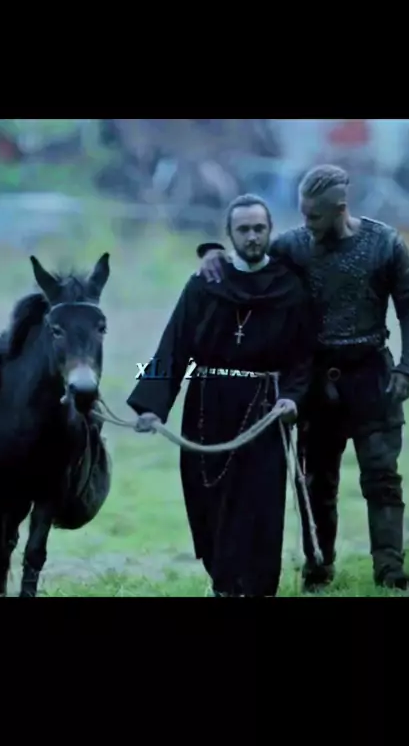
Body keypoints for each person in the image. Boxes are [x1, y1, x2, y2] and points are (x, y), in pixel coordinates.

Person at [197, 165, 409, 593]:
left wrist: (408, 366)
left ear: (340, 209)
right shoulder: (295, 246)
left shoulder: (384, 244)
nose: (306, 223)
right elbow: (250, 257)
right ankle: (319, 568)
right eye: (303, 214)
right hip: (316, 380)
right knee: (316, 481)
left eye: (315, 216)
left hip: (371, 374)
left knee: (382, 476)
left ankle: (390, 570)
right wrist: (212, 251)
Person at [127, 194, 314, 597]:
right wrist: (150, 405)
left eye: (259, 228)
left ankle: (258, 588)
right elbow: (171, 347)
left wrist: (292, 397)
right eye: (243, 229)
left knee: (259, 504)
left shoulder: (290, 287)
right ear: (229, 234)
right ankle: (223, 584)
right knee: (208, 499)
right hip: (206, 406)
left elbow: (302, 358)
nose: (252, 237)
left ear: (270, 231)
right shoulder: (205, 283)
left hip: (264, 408)